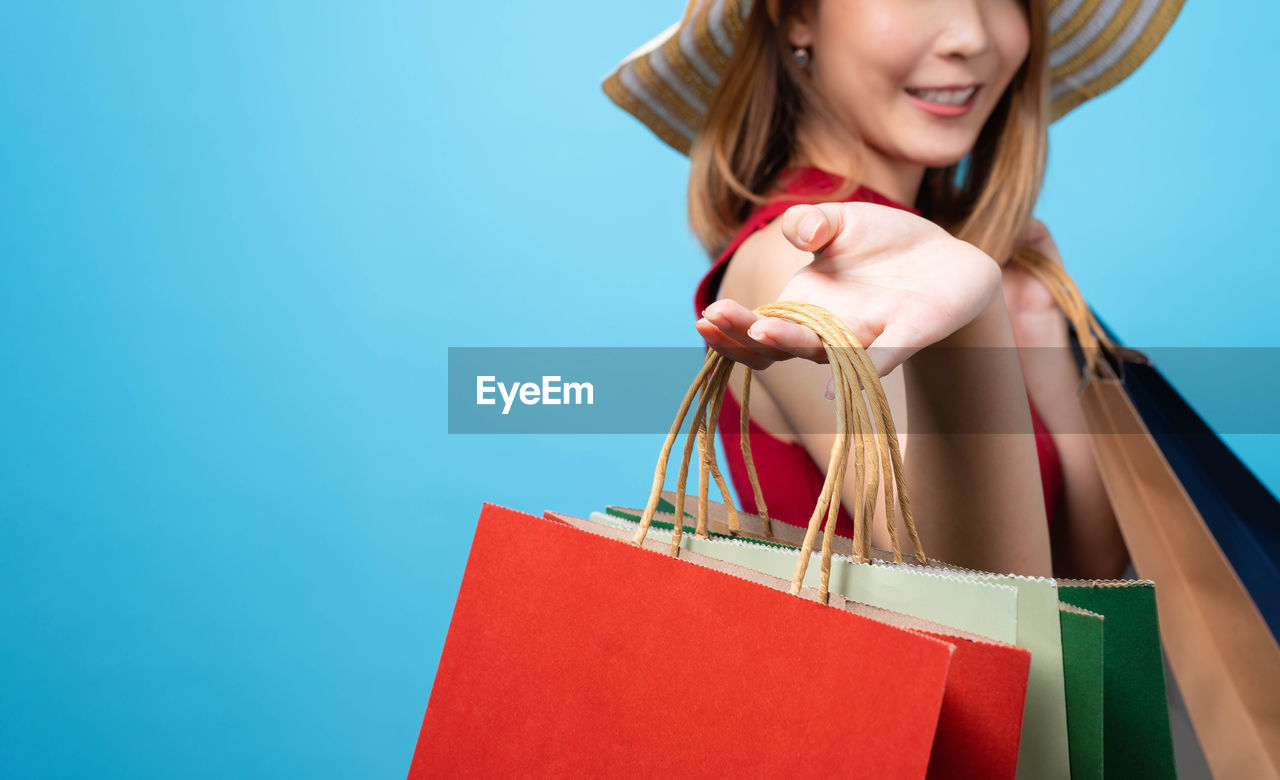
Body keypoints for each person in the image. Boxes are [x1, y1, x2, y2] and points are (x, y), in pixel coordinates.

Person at [602, 0, 1183, 578]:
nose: (970, 35)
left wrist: (1035, 331)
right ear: (799, 15)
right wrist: (976, 315)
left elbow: (1089, 587)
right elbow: (982, 600)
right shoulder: (805, 258)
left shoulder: (944, 262)